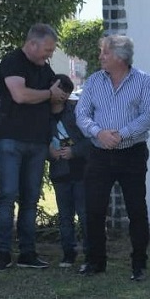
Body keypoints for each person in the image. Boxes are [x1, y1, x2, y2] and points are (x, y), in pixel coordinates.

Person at [75, 35, 150, 281]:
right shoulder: (93, 81)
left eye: (105, 53)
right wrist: (98, 132)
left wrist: (120, 135)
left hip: (132, 153)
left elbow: (149, 116)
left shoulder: (143, 81)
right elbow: (81, 114)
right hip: (99, 154)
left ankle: (139, 264)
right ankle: (95, 262)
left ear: (120, 57)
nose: (100, 57)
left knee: (136, 210)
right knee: (94, 209)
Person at [0, 23, 69, 271]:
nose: (49, 54)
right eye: (47, 49)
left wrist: (56, 98)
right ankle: (3, 253)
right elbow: (20, 95)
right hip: (10, 140)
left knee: (31, 199)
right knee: (7, 195)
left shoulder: (45, 69)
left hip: (37, 142)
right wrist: (48, 93)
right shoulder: (12, 61)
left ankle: (27, 252)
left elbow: (55, 102)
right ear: (32, 44)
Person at [48, 74, 91, 268]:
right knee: (65, 217)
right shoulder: (41, 115)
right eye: (61, 89)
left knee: (85, 215)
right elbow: (38, 143)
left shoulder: (75, 111)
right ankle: (68, 253)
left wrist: (74, 151)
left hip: (81, 171)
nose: (63, 94)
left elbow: (91, 139)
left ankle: (91, 253)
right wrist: (50, 152)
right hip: (60, 173)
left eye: (67, 91)